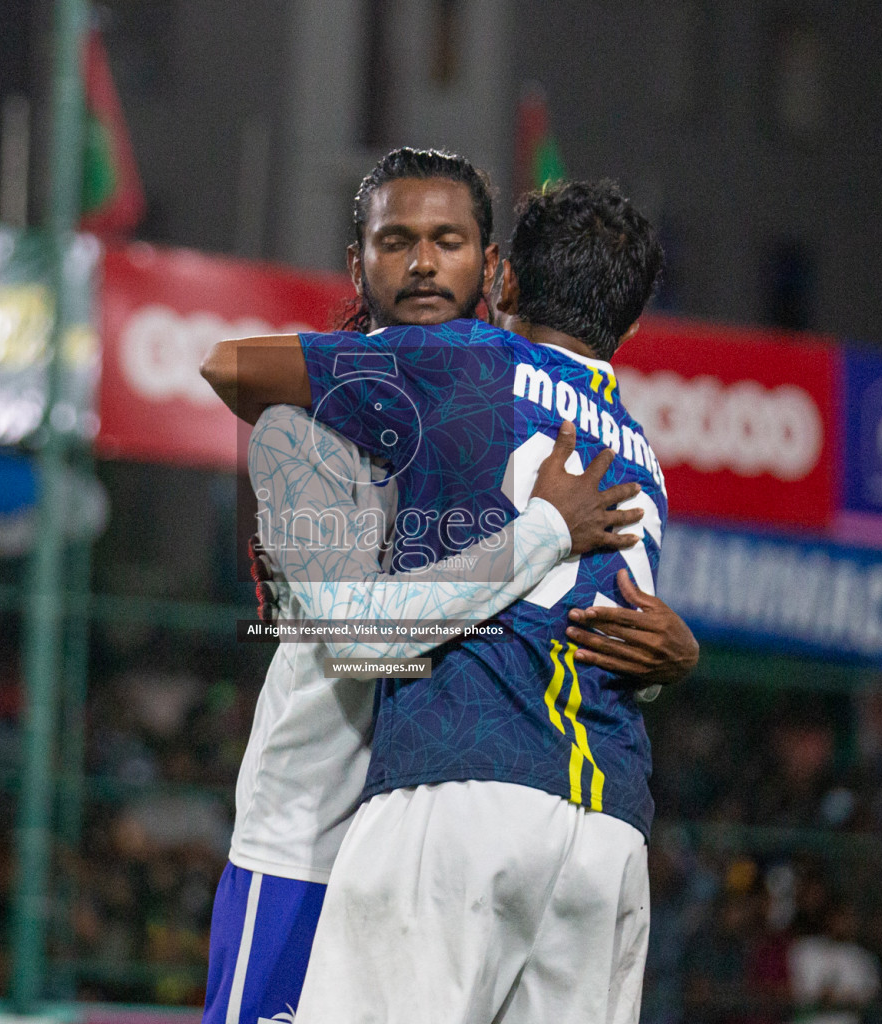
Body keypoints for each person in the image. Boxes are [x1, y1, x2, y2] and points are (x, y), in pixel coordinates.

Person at [199, 149, 696, 1024]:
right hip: (311, 836)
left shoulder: (487, 386)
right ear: (357, 263)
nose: (423, 263)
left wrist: (666, 657)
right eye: (396, 241)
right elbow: (360, 641)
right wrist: (545, 536)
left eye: (448, 241)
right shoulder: (307, 425)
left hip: (440, 812)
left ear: (494, 269)